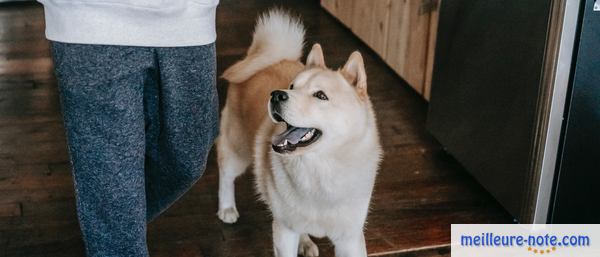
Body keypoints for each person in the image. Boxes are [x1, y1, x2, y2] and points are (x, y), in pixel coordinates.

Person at [37, 1, 220, 256]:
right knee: (112, 197)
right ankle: (111, 232)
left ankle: (107, 225)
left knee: (187, 161)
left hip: (189, 20)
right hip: (87, 21)